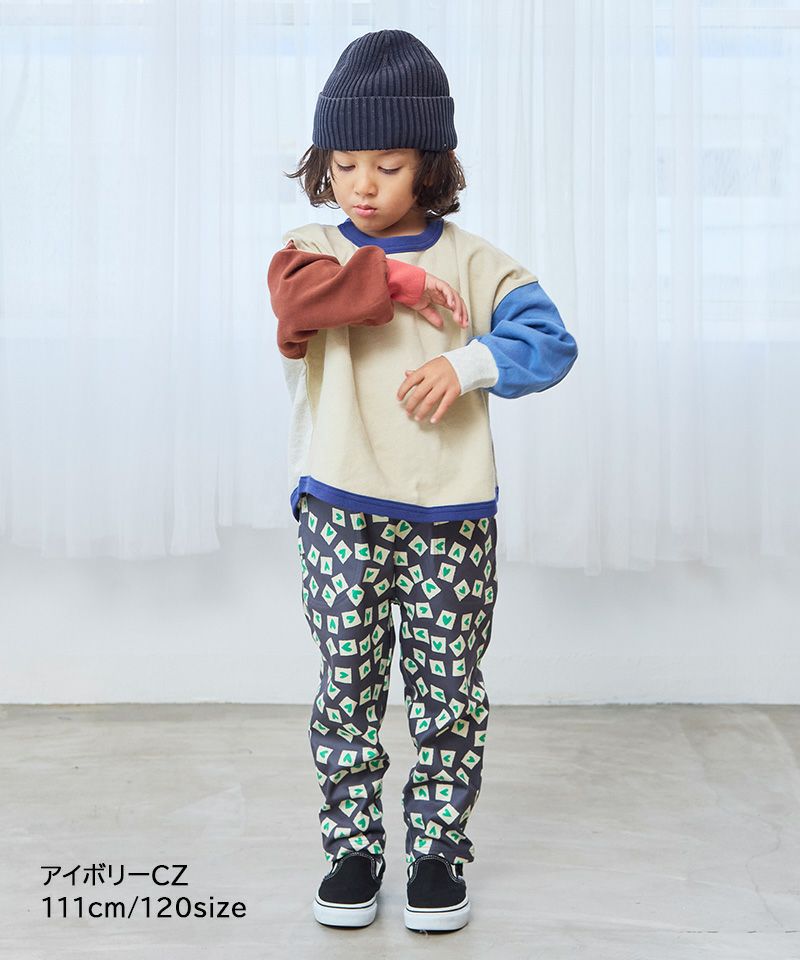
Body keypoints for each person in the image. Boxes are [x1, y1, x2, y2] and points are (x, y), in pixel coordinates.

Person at [268, 29, 578, 934]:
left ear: (430, 166)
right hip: (339, 508)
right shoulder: (309, 247)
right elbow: (297, 302)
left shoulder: (477, 262)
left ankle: (437, 853)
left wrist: (470, 363)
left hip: (452, 516)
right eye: (345, 164)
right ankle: (352, 850)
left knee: (448, 692)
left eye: (389, 165)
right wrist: (398, 284)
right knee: (348, 687)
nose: (362, 185)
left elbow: (551, 343)